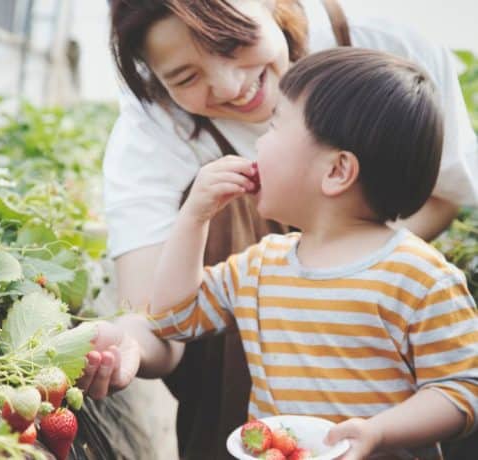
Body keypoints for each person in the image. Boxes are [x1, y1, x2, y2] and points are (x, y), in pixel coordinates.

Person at [85, 1, 478, 458]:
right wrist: (194, 218)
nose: (230, 86)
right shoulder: (262, 266)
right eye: (186, 77)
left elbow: (462, 387)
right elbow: (172, 316)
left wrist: (379, 432)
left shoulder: (421, 279)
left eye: (232, 42)